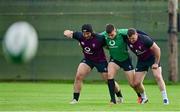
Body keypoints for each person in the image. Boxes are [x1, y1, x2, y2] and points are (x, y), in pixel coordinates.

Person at [63, 24, 123, 104]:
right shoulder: (79, 36)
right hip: (88, 60)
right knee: (78, 76)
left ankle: (119, 96)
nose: (86, 35)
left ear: (91, 32)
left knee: (108, 80)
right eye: (84, 33)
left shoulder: (99, 38)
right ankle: (75, 99)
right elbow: (67, 32)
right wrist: (67, 33)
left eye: (88, 33)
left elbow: (109, 45)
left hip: (100, 61)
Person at [126, 28, 169, 105]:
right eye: (130, 39)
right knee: (136, 83)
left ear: (136, 34)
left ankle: (165, 98)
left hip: (152, 58)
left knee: (158, 76)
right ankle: (144, 98)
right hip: (142, 60)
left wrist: (156, 63)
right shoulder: (126, 39)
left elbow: (157, 49)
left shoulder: (145, 39)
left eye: (133, 38)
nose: (131, 40)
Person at [101, 24, 141, 104]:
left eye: (112, 35)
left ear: (115, 30)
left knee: (132, 83)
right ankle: (114, 99)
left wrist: (146, 38)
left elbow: (135, 32)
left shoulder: (123, 32)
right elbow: (94, 37)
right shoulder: (104, 35)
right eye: (109, 35)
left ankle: (140, 96)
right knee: (110, 77)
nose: (110, 37)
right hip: (114, 60)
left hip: (126, 60)